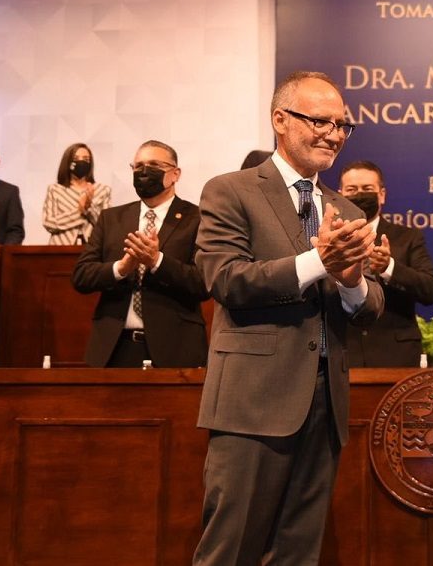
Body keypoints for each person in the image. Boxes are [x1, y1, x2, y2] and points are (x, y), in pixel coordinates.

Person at [192, 71, 384, 565]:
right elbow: (226, 279)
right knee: (230, 549)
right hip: (252, 401)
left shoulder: (345, 209)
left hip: (325, 406)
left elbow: (369, 307)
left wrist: (351, 280)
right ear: (280, 120)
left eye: (342, 126)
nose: (333, 135)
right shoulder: (230, 190)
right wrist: (319, 261)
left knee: (298, 553)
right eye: (320, 122)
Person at [71, 140, 209, 368]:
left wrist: (157, 261)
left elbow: (204, 283)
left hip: (175, 348)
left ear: (175, 174)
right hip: (113, 348)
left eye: (154, 165)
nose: (144, 172)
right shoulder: (111, 218)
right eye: (138, 166)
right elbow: (81, 276)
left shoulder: (198, 219)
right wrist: (121, 269)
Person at [338, 159, 433, 367]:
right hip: (344, 352)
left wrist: (389, 268)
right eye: (352, 189)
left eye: (367, 189)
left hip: (395, 355)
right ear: (340, 195)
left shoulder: (408, 237)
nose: (359, 195)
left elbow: (430, 290)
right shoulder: (330, 240)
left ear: (382, 194)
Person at [42, 142, 111, 244]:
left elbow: (106, 225)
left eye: (86, 159)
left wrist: (89, 208)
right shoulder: (55, 189)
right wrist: (79, 212)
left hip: (92, 247)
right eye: (76, 158)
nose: (81, 162)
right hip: (60, 247)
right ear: (68, 162)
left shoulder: (102, 190)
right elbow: (48, 222)